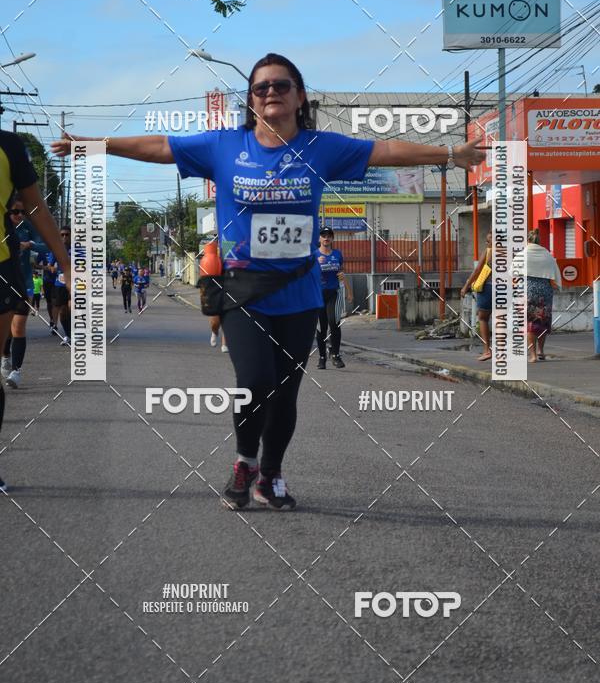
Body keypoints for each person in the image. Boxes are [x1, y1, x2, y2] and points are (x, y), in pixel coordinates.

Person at [51, 52, 485, 510]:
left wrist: (452, 154)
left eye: (281, 85)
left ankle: (271, 474)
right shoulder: (224, 146)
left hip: (300, 291)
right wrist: (95, 144)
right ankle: (245, 462)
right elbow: (161, 146)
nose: (271, 92)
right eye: (261, 88)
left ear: (300, 97)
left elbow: (388, 150)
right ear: (252, 101)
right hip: (243, 292)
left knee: (285, 391)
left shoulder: (323, 148)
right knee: (254, 381)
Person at [0, 131, 71, 490]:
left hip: (3, 270)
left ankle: (14, 368)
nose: (16, 214)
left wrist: (66, 264)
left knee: (16, 332)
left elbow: (38, 208)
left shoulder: (9, 146)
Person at [0, 194, 47, 387]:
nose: (19, 215)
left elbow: (47, 246)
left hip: (23, 282)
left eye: (23, 212)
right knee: (5, 328)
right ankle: (5, 356)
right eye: (15, 211)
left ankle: (16, 371)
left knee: (18, 327)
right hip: (3, 281)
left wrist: (30, 244)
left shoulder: (28, 227)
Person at [315, 227, 352, 369]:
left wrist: (349, 292)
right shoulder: (314, 255)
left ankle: (335, 355)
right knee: (321, 327)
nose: (326, 238)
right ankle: (322, 357)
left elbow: (341, 273)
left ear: (332, 239)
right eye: (323, 235)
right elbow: (307, 276)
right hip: (318, 295)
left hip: (334, 293)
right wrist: (316, 265)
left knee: (334, 322)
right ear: (319, 239)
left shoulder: (337, 254)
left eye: (329, 236)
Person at [526, 228, 561, 362]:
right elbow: (555, 274)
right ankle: (541, 351)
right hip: (545, 292)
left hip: (528, 292)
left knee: (530, 322)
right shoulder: (547, 255)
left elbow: (513, 273)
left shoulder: (523, 254)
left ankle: (533, 355)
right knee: (542, 321)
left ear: (528, 240)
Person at [461, 230, 493, 362]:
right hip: (505, 289)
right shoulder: (509, 253)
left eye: (488, 240)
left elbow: (477, 270)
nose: (487, 242)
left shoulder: (489, 252)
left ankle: (487, 350)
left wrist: (466, 286)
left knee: (483, 318)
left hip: (488, 287)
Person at [47, 225, 72, 345]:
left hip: (76, 284)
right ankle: (68, 335)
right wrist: (53, 268)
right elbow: (50, 265)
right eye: (62, 235)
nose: (64, 237)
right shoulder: (56, 250)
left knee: (72, 307)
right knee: (63, 311)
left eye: (67, 234)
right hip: (60, 283)